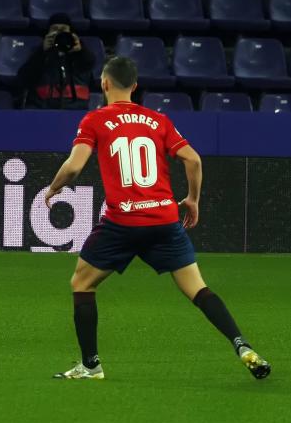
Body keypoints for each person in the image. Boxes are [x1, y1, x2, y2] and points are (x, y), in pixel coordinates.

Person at [44, 57, 271, 380]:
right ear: (135, 87)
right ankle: (242, 345)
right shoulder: (158, 120)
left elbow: (74, 166)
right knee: (198, 289)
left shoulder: (94, 120)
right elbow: (192, 159)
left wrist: (53, 189)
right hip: (164, 220)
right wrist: (192, 199)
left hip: (122, 223)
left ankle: (91, 366)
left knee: (82, 283)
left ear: (104, 83)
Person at [17, 13, 95, 110]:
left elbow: (89, 64)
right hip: (43, 110)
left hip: (75, 110)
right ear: (48, 34)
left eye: (63, 31)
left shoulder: (79, 55)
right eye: (55, 30)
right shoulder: (39, 53)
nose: (59, 34)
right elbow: (24, 79)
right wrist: (42, 52)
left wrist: (80, 50)